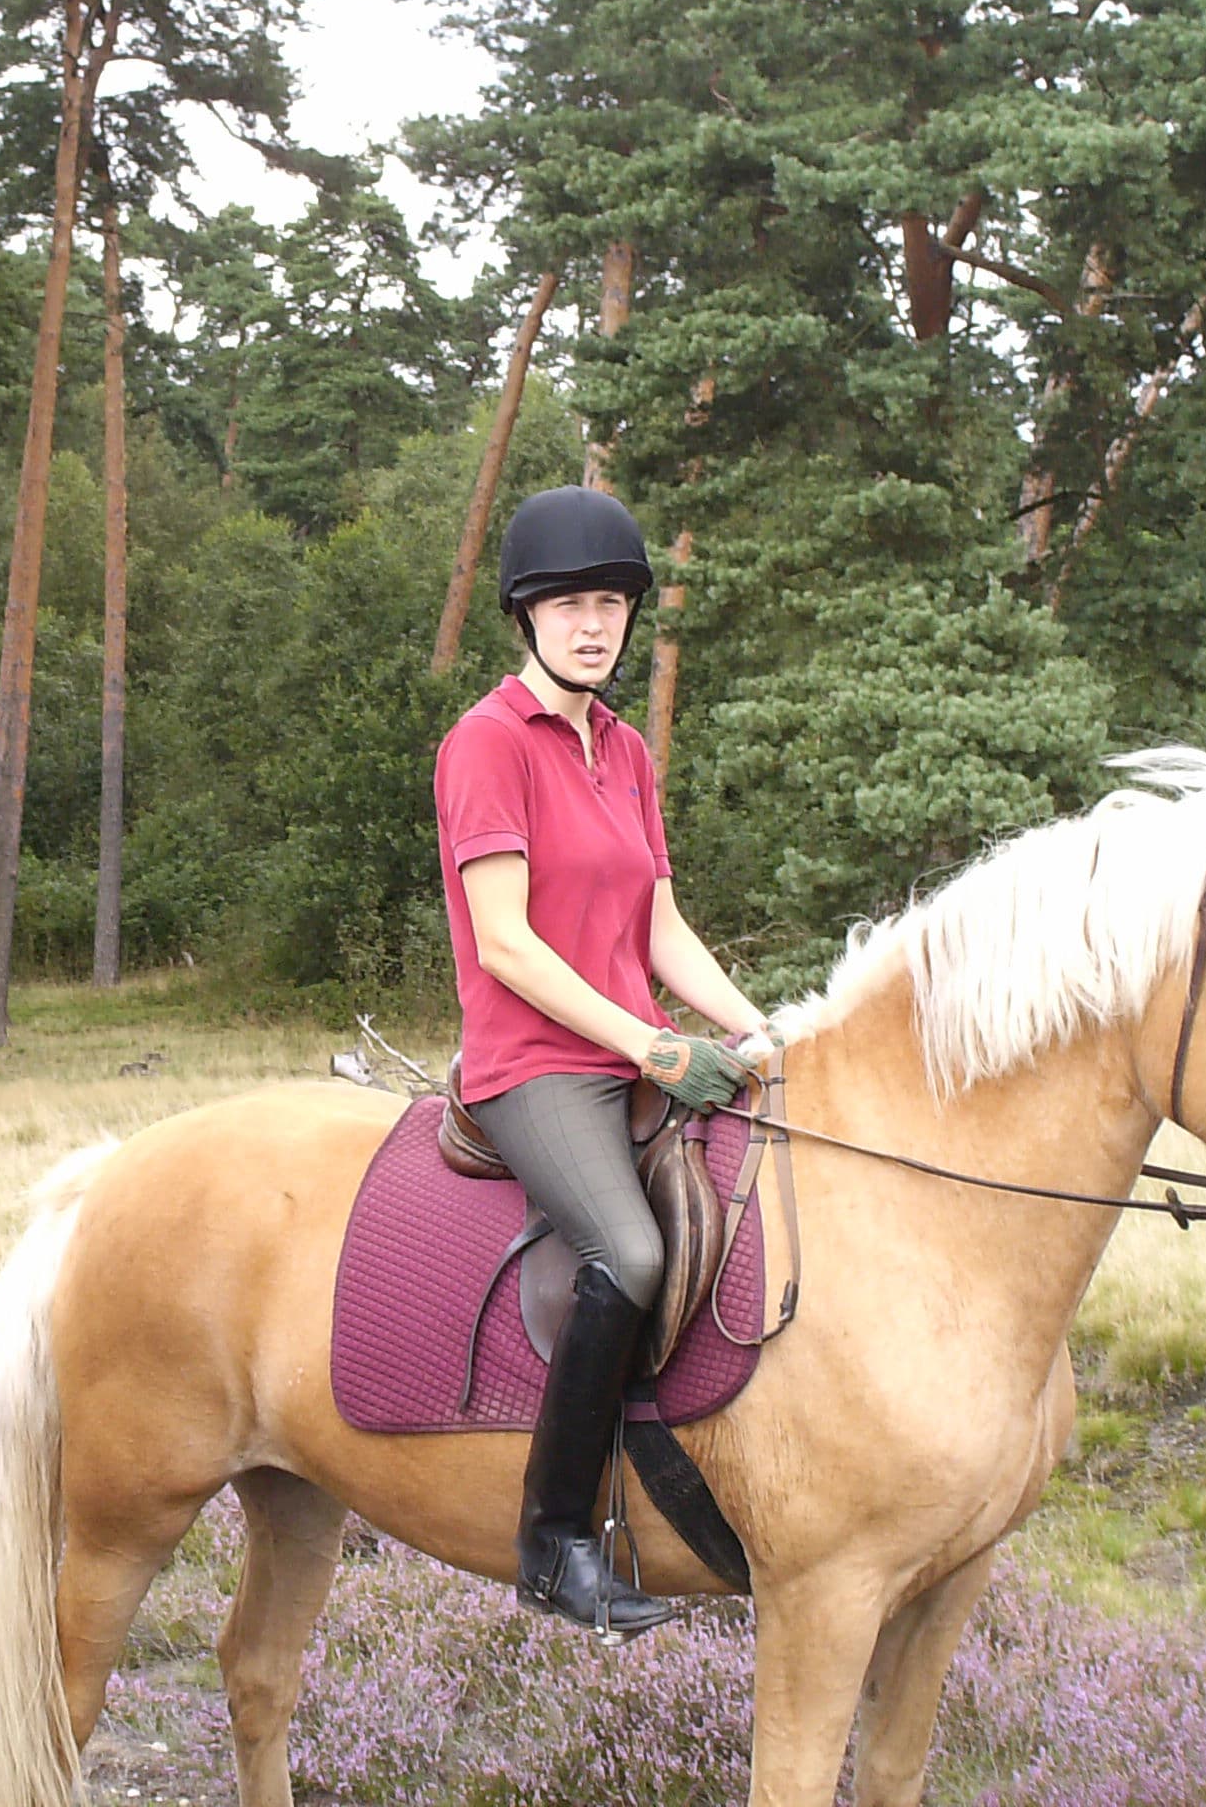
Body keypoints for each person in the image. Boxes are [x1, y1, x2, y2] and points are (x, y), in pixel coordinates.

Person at [432, 486, 772, 1634]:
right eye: (570, 604)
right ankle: (553, 1541)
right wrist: (651, 1045)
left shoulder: (622, 748)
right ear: (525, 617)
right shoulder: (486, 744)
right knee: (626, 1250)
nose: (594, 625)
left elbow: (660, 927)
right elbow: (506, 942)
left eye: (613, 604)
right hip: (535, 1065)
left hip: (636, 1055)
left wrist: (752, 1025)